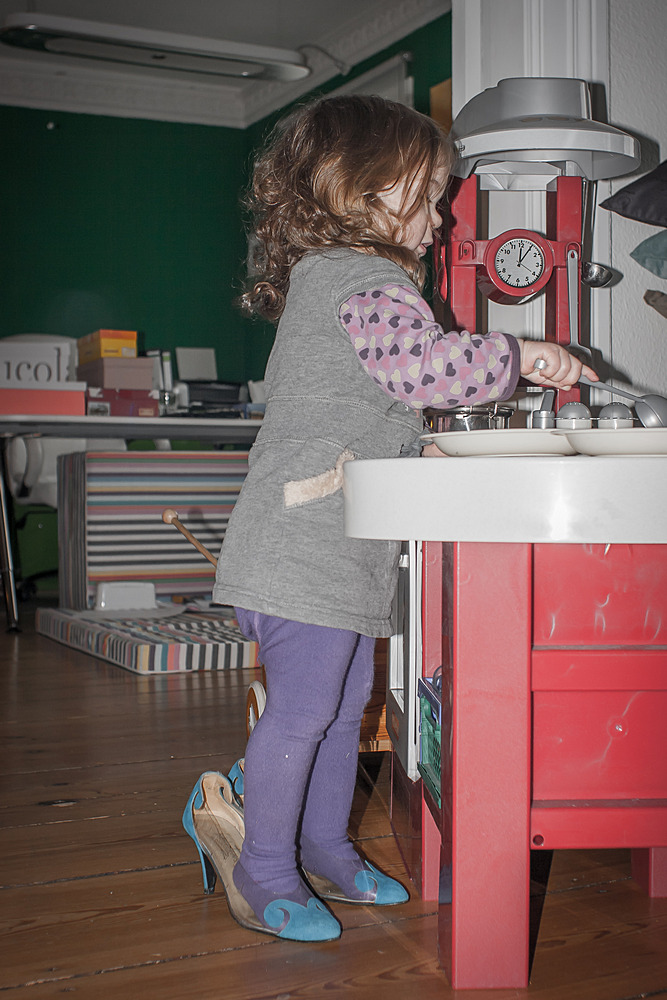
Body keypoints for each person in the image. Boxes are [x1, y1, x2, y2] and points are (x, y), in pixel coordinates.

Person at [182, 94, 598, 942]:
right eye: (431, 194)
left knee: (341, 712)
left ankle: (325, 847)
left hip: (324, 546)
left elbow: (365, 410)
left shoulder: (339, 278)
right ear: (365, 189)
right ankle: (262, 870)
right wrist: (523, 355)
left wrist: (421, 452)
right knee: (305, 712)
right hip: (302, 547)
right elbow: (419, 369)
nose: (443, 216)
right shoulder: (359, 277)